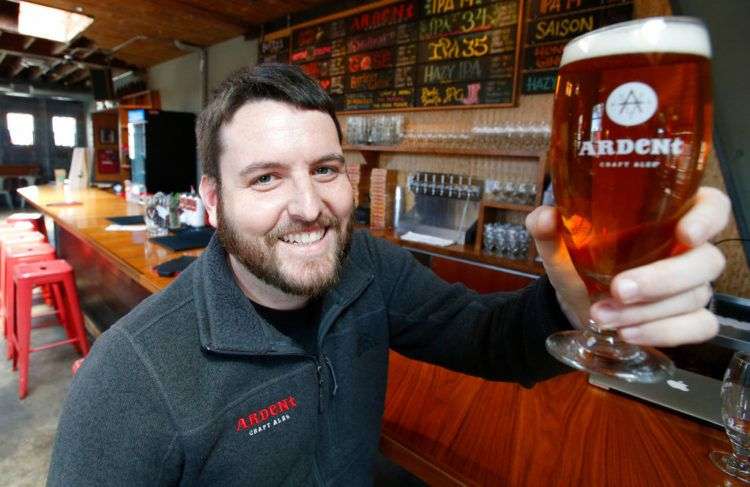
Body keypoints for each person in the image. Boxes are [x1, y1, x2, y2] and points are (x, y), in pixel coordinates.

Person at [47, 64, 729, 486]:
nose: (311, 207)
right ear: (213, 199)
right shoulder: (129, 382)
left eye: (324, 169)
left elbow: (487, 336)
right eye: (266, 178)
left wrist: (572, 306)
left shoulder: (366, 267)